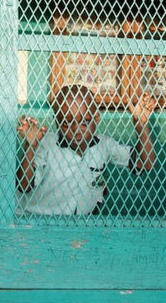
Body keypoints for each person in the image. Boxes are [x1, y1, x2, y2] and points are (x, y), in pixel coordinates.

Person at [16, 84, 156, 216]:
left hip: (76, 227)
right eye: (66, 122)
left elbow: (146, 164)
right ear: (57, 121)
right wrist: (31, 145)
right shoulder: (46, 143)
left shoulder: (104, 145)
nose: (77, 130)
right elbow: (24, 185)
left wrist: (141, 124)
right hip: (32, 219)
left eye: (85, 122)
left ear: (96, 118)